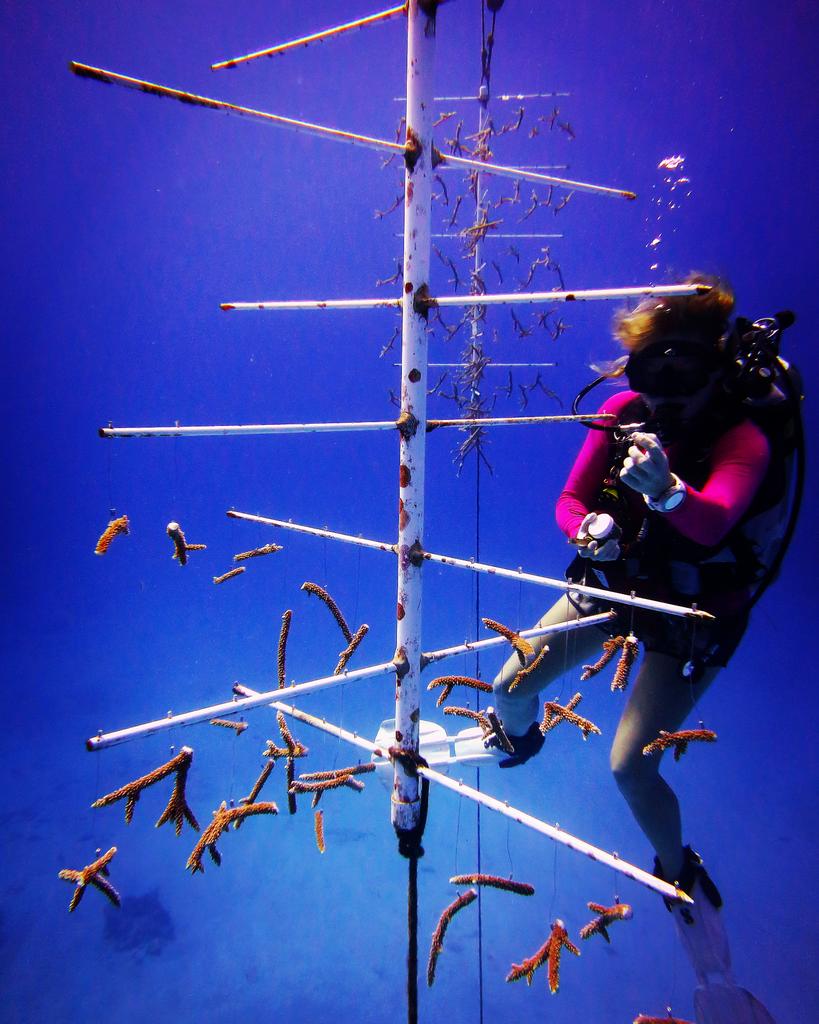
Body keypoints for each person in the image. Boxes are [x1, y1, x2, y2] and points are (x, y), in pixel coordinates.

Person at [491, 274, 775, 898]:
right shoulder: (621, 413)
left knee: (630, 767)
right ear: (633, 371)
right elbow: (569, 501)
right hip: (615, 583)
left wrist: (667, 492)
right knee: (507, 687)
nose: (667, 396)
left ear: (718, 369)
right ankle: (517, 736)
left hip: (692, 616)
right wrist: (588, 531)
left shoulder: (743, 439)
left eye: (686, 372)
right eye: (652, 372)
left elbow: (715, 523)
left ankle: (678, 870)